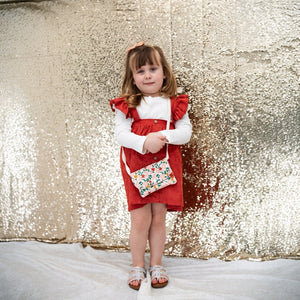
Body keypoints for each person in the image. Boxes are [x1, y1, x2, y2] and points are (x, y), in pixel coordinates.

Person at [110, 41, 192, 290]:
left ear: (164, 72)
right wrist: (145, 141)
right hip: (136, 167)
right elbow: (120, 135)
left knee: (158, 218)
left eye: (153, 68)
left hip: (165, 166)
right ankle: (137, 264)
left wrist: (163, 138)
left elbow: (186, 132)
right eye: (140, 71)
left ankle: (156, 263)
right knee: (140, 218)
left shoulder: (174, 103)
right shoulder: (128, 104)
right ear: (133, 78)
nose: (147, 75)